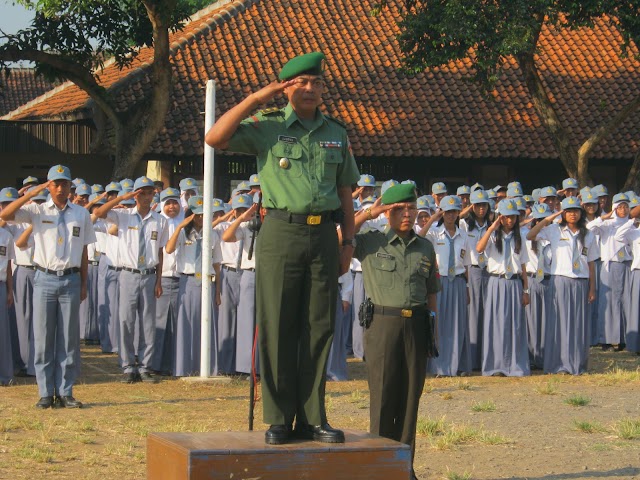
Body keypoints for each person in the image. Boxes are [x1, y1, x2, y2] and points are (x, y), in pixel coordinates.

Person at [205, 51, 359, 445]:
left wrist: (348, 241)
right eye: (300, 83)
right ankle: (278, 418)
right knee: (277, 324)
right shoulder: (267, 126)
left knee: (319, 326)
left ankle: (312, 417)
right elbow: (215, 137)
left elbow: (345, 191)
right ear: (286, 88)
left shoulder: (335, 133)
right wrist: (258, 98)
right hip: (279, 231)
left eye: (316, 83)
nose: (309, 89)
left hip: (324, 234)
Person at [352, 183, 440, 480]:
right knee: (383, 397)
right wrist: (368, 213)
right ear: (387, 213)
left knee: (410, 398)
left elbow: (431, 293)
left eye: (411, 208)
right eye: (399, 209)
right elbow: (337, 236)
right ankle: (378, 467)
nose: (407, 214)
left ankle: (403, 468)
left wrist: (431, 325)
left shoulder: (425, 246)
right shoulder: (370, 241)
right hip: (382, 325)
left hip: (415, 326)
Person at [1, 165, 96, 408]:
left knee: (68, 339)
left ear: (70, 187)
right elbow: (6, 215)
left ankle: (65, 391)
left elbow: (84, 251)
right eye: (56, 184)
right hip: (44, 279)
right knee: (43, 338)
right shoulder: (37, 210)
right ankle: (45, 392)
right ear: (49, 186)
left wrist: (84, 283)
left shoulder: (81, 214)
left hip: (71, 279)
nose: (61, 188)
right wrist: (32, 193)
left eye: (65, 184)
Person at [93, 176, 169, 384]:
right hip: (128, 274)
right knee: (126, 320)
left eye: (150, 192)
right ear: (135, 195)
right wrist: (123, 197)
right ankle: (127, 365)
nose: (147, 196)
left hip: (149, 274)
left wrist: (159, 280)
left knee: (147, 323)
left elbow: (160, 252)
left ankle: (145, 366)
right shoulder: (123, 216)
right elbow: (98, 213)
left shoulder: (159, 220)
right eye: (142, 192)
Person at [527, 197, 597, 374]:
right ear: (563, 213)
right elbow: (531, 235)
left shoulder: (588, 234)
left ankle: (577, 364)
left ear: (581, 213)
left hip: (580, 282)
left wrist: (592, 287)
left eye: (576, 210)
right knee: (559, 323)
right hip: (560, 282)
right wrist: (550, 217)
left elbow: (591, 263)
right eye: (568, 210)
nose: (573, 214)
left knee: (578, 325)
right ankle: (559, 364)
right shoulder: (553, 230)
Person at [165, 196, 222, 376]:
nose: (200, 219)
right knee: (187, 324)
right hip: (188, 281)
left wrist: (218, 291)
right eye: (196, 215)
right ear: (190, 215)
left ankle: (206, 366)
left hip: (206, 281)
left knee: (205, 324)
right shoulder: (182, 232)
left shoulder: (212, 234)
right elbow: (168, 249)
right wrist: (181, 226)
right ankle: (184, 366)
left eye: (203, 215)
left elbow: (217, 264)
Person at [476, 198, 530, 377]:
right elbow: (479, 248)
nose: (509, 221)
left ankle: (514, 364)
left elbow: (523, 265)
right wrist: (492, 227)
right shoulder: (492, 235)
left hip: (514, 283)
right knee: (495, 323)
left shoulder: (519, 236)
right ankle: (495, 364)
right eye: (505, 217)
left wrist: (525, 290)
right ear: (499, 217)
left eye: (512, 217)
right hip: (496, 282)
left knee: (514, 324)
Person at [421, 195, 471, 377]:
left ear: (458, 213)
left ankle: (456, 364)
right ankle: (439, 366)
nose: (451, 216)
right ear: (442, 213)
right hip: (439, 281)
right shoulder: (435, 233)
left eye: (454, 212)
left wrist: (467, 288)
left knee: (457, 324)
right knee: (438, 324)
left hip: (457, 281)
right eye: (447, 212)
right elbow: (419, 236)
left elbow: (466, 264)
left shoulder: (463, 235)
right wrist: (433, 218)